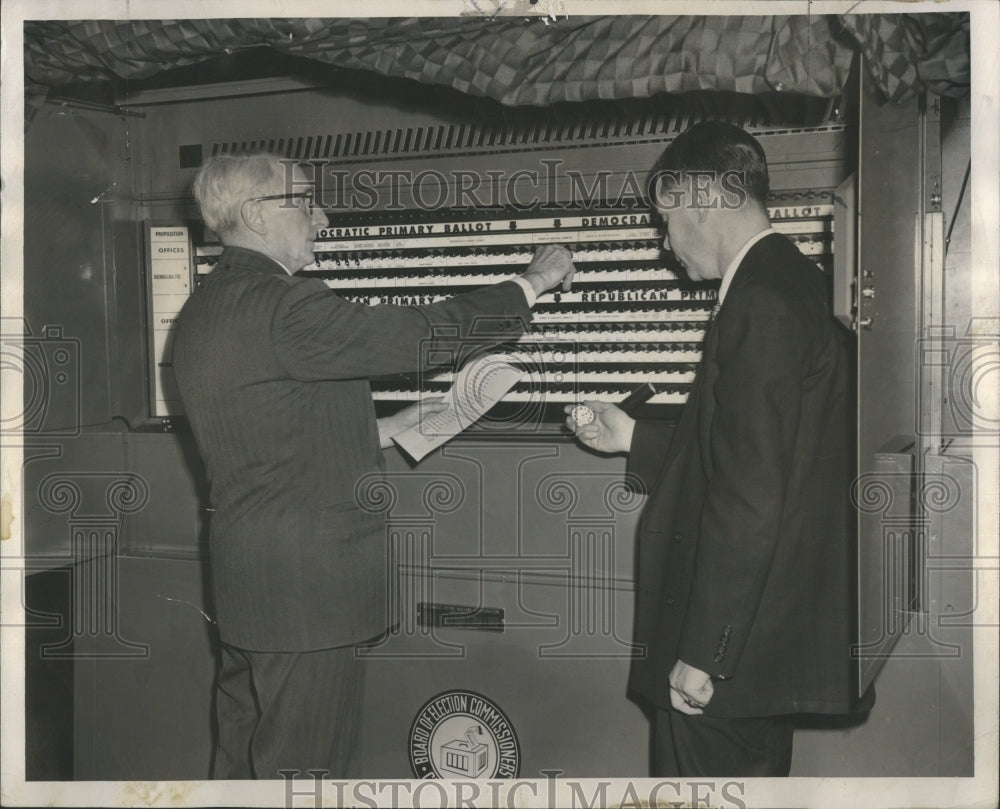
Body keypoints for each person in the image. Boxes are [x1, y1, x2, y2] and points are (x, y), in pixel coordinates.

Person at [172, 153, 575, 779]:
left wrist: (383, 428)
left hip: (250, 586)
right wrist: (529, 285)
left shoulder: (206, 307)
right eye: (304, 201)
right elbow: (420, 335)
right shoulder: (287, 304)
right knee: (306, 778)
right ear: (254, 214)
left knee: (240, 768)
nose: (322, 217)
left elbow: (266, 430)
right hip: (309, 597)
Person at [566, 122, 872, 777]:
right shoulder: (799, 283)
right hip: (763, 646)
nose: (664, 243)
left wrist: (705, 653)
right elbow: (758, 450)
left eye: (666, 218)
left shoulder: (758, 300)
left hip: (726, 663)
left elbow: (750, 497)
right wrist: (629, 435)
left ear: (702, 197)